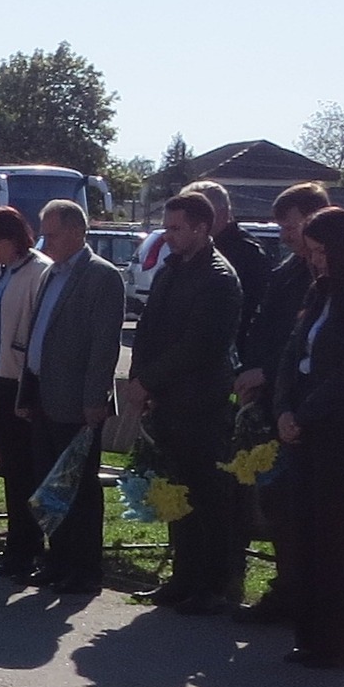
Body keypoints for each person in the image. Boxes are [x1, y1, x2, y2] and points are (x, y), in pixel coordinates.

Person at [271, 207, 344, 669]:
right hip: (301, 423)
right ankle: (309, 635)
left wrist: (305, 413)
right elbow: (291, 354)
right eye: (311, 252)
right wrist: (283, 408)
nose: (316, 261)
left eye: (322, 252)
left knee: (333, 532)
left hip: (340, 427)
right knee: (304, 528)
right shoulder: (318, 293)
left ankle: (336, 643)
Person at [125, 193, 244, 612]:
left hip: (200, 403)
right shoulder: (170, 270)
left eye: (176, 228)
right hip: (166, 401)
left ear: (201, 228)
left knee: (205, 496)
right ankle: (183, 578)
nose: (169, 236)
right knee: (175, 491)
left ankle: (211, 585)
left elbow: (199, 345)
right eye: (166, 227)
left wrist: (150, 380)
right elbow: (148, 329)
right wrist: (139, 378)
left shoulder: (218, 277)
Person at [233, 182, 333, 623]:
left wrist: (268, 374)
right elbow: (263, 329)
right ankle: (289, 583)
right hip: (271, 401)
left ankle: (300, 590)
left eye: (290, 226)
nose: (284, 235)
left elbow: (304, 347)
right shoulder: (288, 270)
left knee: (297, 505)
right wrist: (251, 371)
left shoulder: (326, 278)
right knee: (274, 499)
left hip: (304, 407)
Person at [17, 200, 126, 594]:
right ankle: (58, 559)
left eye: (53, 234)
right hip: (44, 396)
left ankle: (84, 568)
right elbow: (39, 335)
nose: (46, 242)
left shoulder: (101, 276)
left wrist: (95, 398)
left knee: (79, 490)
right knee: (50, 485)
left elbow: (103, 344)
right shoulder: (51, 273)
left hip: (78, 403)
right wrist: (27, 391)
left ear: (78, 232)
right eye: (44, 234)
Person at [0, 206, 52, 583]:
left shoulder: (38, 271)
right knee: (9, 467)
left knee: (24, 469)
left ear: (15, 238)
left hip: (18, 379)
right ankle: (16, 546)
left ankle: (28, 548)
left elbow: (34, 328)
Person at [183, 179, 270, 354]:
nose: (191, 222)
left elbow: (251, 312)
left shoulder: (247, 253)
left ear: (222, 213)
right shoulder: (189, 251)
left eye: (197, 214)